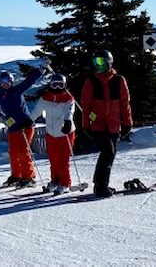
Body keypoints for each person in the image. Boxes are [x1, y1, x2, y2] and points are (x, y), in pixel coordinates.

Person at [0, 59, 52, 188]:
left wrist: (41, 69)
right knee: (13, 152)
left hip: (25, 125)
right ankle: (16, 175)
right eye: (3, 82)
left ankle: (28, 176)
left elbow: (29, 81)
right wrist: (1, 117)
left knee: (23, 151)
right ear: (0, 83)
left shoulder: (17, 91)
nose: (5, 84)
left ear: (11, 82)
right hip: (12, 127)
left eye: (7, 81)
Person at [80, 50, 133, 198]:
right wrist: (86, 125)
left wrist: (127, 123)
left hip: (114, 124)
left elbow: (125, 103)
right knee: (108, 151)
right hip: (98, 125)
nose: (99, 65)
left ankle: (101, 183)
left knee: (110, 153)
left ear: (109, 62)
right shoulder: (91, 81)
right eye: (96, 62)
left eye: (101, 62)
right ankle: (100, 186)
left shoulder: (118, 80)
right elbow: (86, 105)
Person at [28, 73, 76, 194]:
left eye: (60, 85)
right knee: (53, 159)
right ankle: (55, 181)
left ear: (64, 85)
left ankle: (65, 183)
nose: (57, 88)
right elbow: (37, 110)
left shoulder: (68, 98)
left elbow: (69, 111)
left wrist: (67, 121)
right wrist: (29, 120)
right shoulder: (45, 97)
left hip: (65, 132)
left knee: (63, 160)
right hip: (51, 132)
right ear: (50, 85)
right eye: (55, 85)